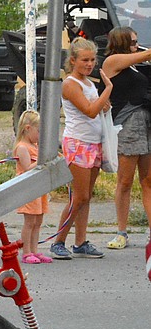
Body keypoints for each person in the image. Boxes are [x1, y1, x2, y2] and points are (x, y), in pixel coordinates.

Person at [49, 38, 113, 260]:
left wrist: (104, 103)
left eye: (93, 60)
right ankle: (59, 241)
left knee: (86, 197)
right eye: (85, 60)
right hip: (78, 143)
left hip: (92, 141)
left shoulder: (88, 83)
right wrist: (108, 90)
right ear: (73, 61)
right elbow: (89, 110)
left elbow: (97, 108)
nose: (90, 64)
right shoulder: (70, 84)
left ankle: (80, 241)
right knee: (79, 196)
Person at [100, 27, 151, 250]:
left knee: (148, 181)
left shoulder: (133, 65)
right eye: (132, 41)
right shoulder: (112, 61)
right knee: (125, 181)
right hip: (127, 124)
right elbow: (145, 54)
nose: (136, 45)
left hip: (145, 124)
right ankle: (121, 231)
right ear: (121, 42)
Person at [13, 109, 50, 263]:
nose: (40, 136)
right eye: (39, 131)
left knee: (38, 221)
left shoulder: (35, 146)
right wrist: (42, 159)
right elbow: (27, 167)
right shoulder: (22, 147)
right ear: (28, 128)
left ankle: (35, 250)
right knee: (30, 222)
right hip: (28, 189)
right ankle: (26, 252)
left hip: (39, 188)